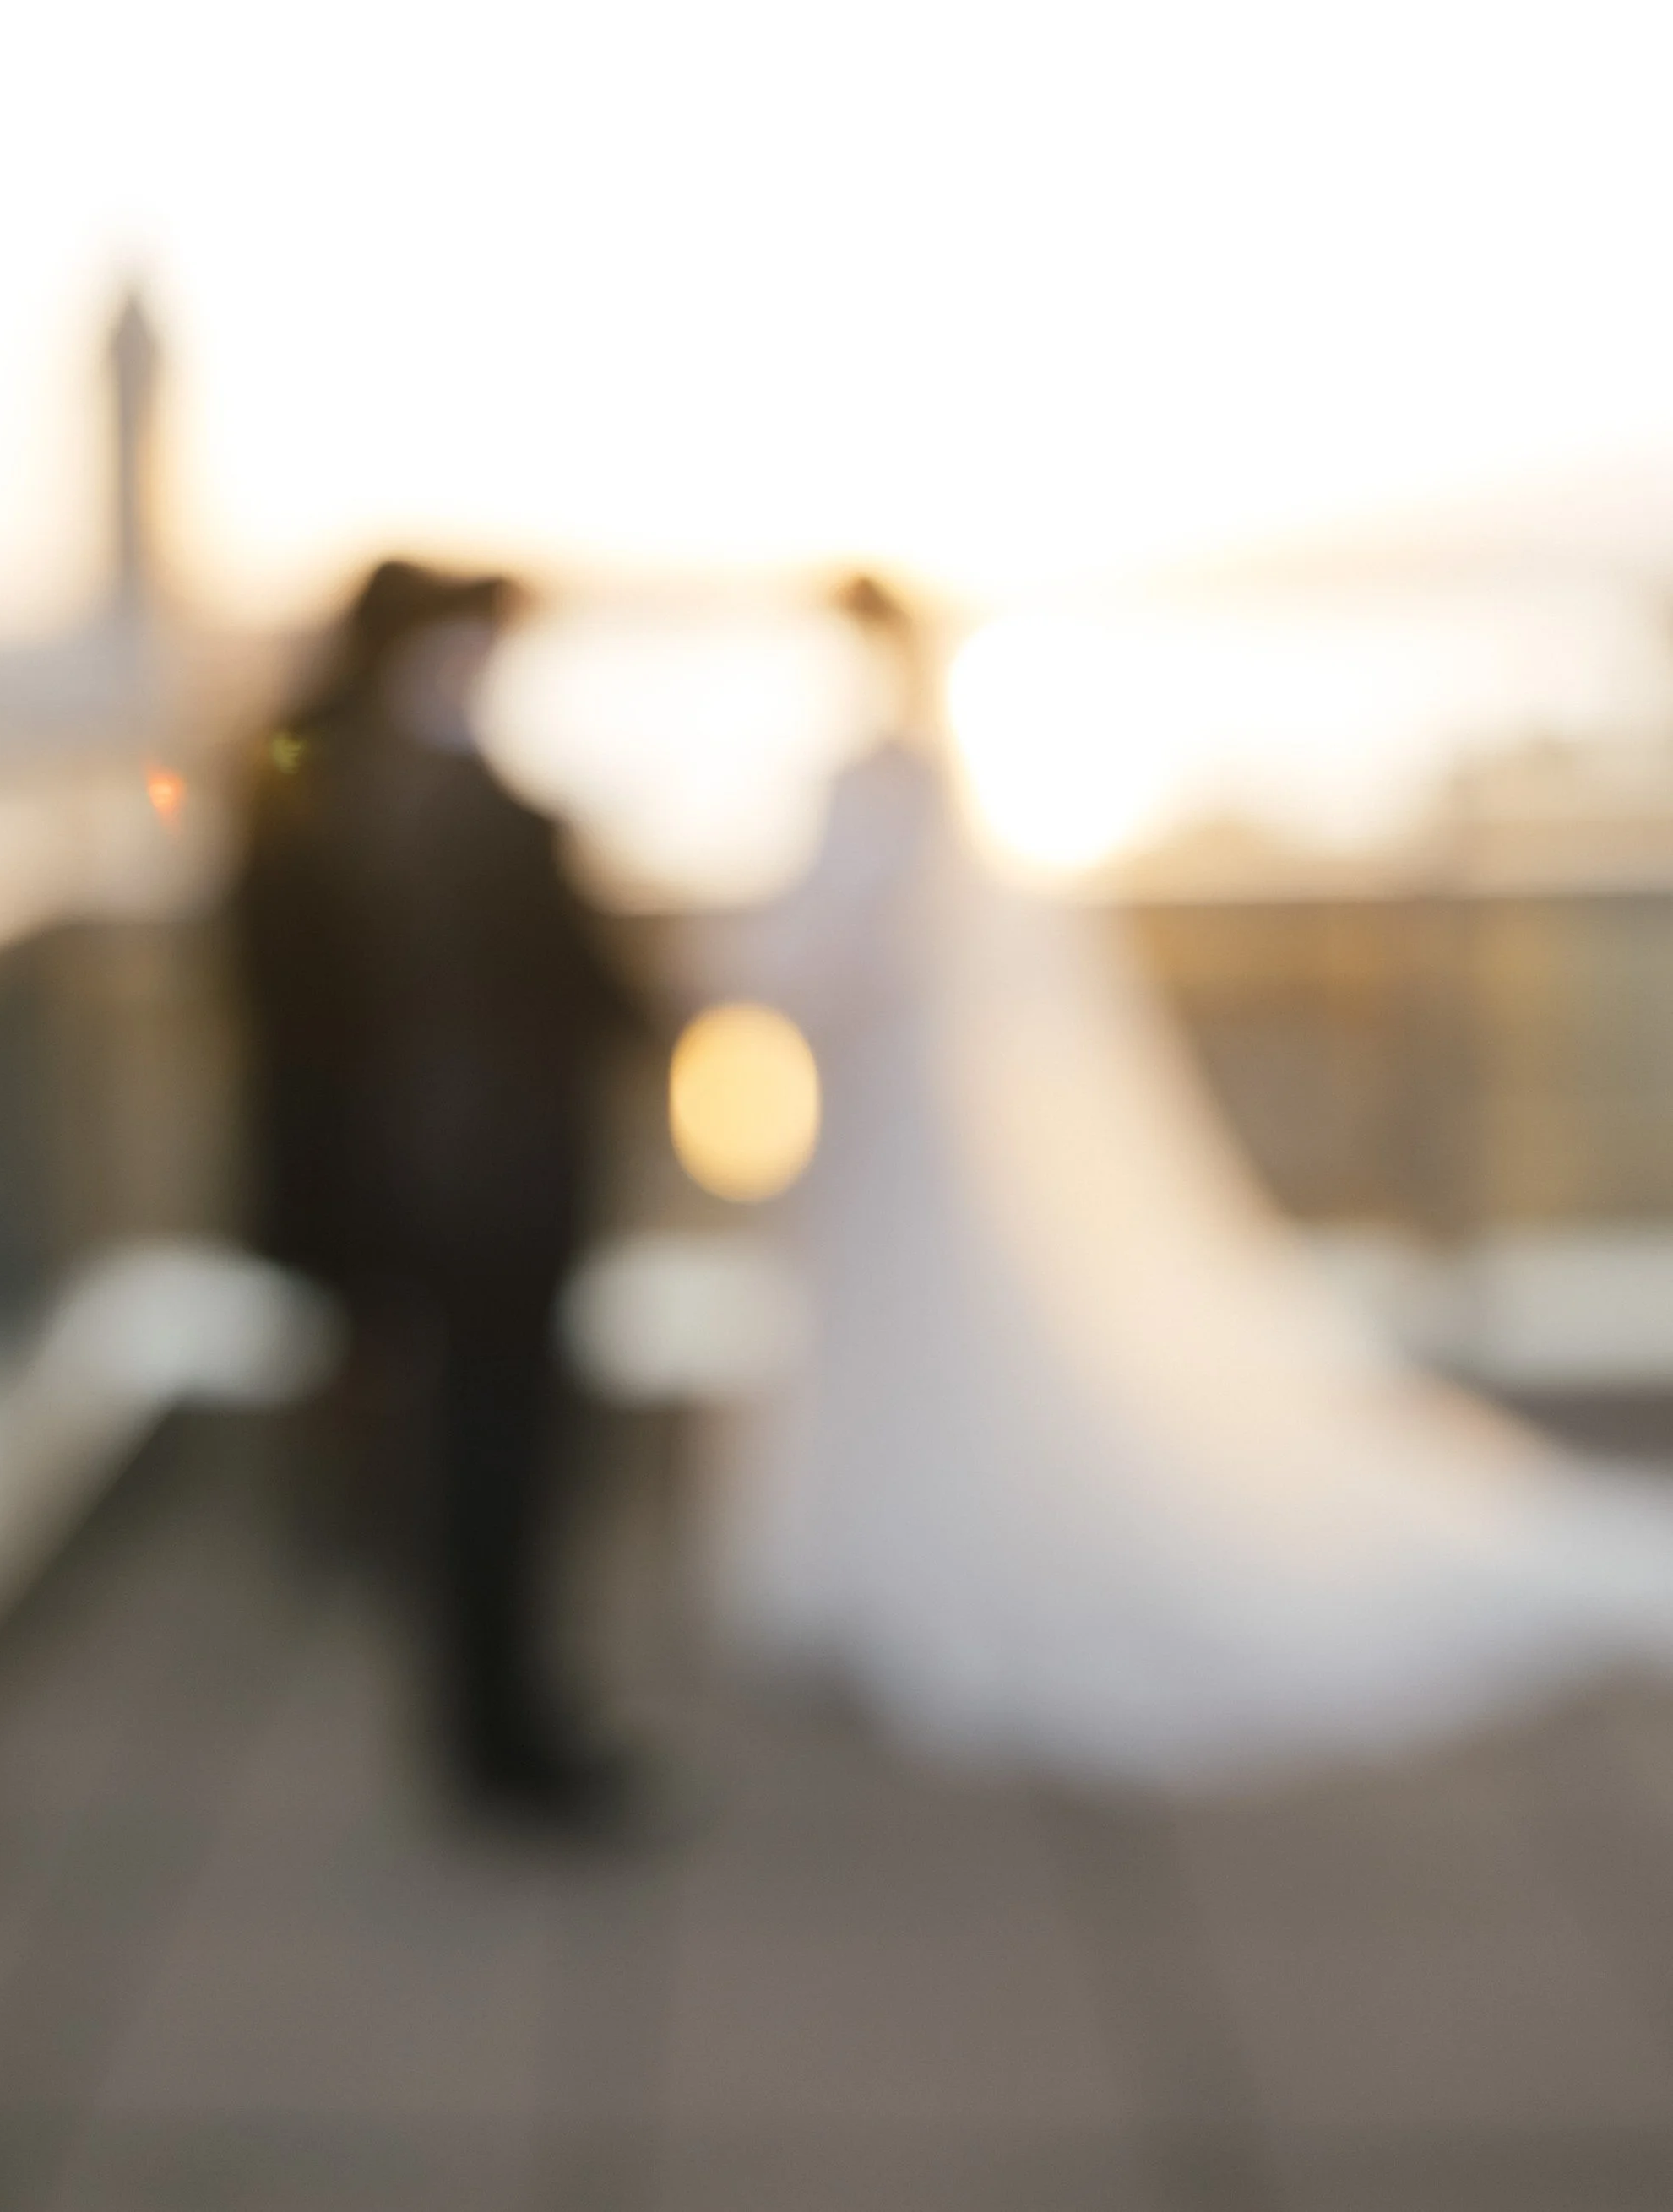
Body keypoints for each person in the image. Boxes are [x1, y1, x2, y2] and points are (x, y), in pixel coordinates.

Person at [697, 575, 1673, 1784]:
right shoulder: (904, 781)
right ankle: (883, 1568)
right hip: (883, 1116)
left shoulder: (897, 785)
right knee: (898, 1335)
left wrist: (726, 971)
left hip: (898, 1112)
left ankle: (919, 1573)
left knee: (923, 1332)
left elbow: (855, 945)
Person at [231, 560, 644, 1822]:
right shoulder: (447, 797)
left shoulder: (311, 768)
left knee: (447, 1452)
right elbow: (576, 984)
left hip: (399, 1176)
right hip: (487, 1179)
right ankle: (502, 1737)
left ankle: (489, 1721)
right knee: (494, 1457)